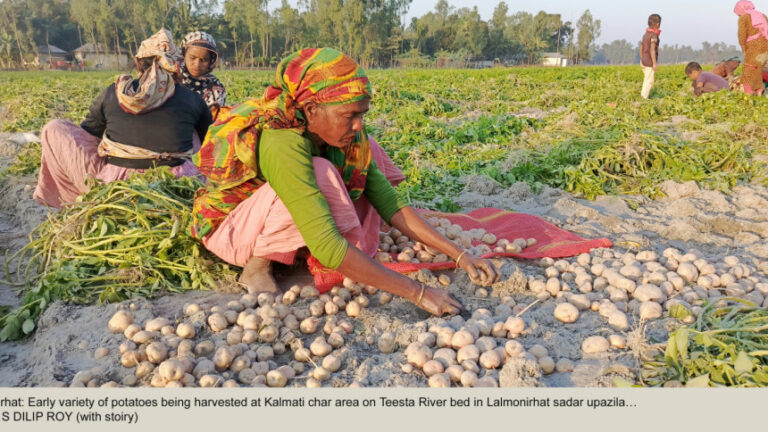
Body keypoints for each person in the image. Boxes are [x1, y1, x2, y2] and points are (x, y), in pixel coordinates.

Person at [191, 48, 500, 316]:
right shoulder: (282, 141)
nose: (358, 125)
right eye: (349, 115)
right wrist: (417, 292)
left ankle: (294, 253)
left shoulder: (344, 134)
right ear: (311, 109)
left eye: (362, 114)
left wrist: (460, 255)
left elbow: (389, 202)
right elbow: (327, 245)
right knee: (322, 172)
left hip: (274, 213)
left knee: (368, 151)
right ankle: (257, 268)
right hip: (233, 229)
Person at [33, 29, 212, 208]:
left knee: (54, 128)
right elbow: (210, 141)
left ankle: (78, 199)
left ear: (138, 63)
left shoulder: (114, 92)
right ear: (175, 65)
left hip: (115, 187)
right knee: (196, 132)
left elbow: (90, 133)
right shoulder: (192, 98)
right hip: (177, 185)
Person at [179, 31, 227, 115]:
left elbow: (213, 120)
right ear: (183, 55)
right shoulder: (171, 81)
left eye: (203, 60)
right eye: (192, 58)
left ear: (211, 61)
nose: (197, 64)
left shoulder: (216, 89)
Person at [735, 1, 768, 95]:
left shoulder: (744, 17)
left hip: (754, 46)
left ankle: (749, 94)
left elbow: (742, 35)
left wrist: (744, 50)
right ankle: (759, 89)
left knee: (747, 70)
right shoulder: (763, 15)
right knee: (757, 70)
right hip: (765, 47)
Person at [640, 14, 662, 99]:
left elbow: (641, 47)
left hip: (643, 61)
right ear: (657, 24)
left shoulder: (646, 34)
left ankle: (644, 97)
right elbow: (652, 49)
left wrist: (642, 58)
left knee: (647, 80)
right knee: (649, 82)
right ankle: (643, 99)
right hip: (649, 62)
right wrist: (654, 63)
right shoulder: (653, 35)